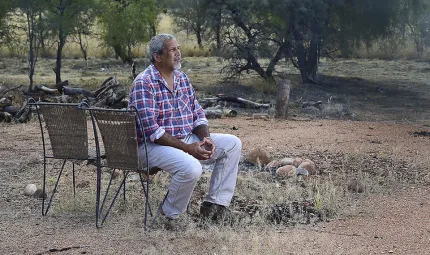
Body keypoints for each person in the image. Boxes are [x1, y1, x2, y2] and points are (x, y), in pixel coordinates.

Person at [129, 34, 242, 224]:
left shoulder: (181, 78)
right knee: (191, 167)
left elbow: (198, 114)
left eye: (178, 48)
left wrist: (206, 139)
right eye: (172, 50)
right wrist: (188, 148)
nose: (178, 53)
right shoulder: (144, 83)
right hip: (150, 147)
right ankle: (168, 217)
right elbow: (152, 131)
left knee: (232, 144)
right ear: (157, 57)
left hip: (183, 140)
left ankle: (214, 207)